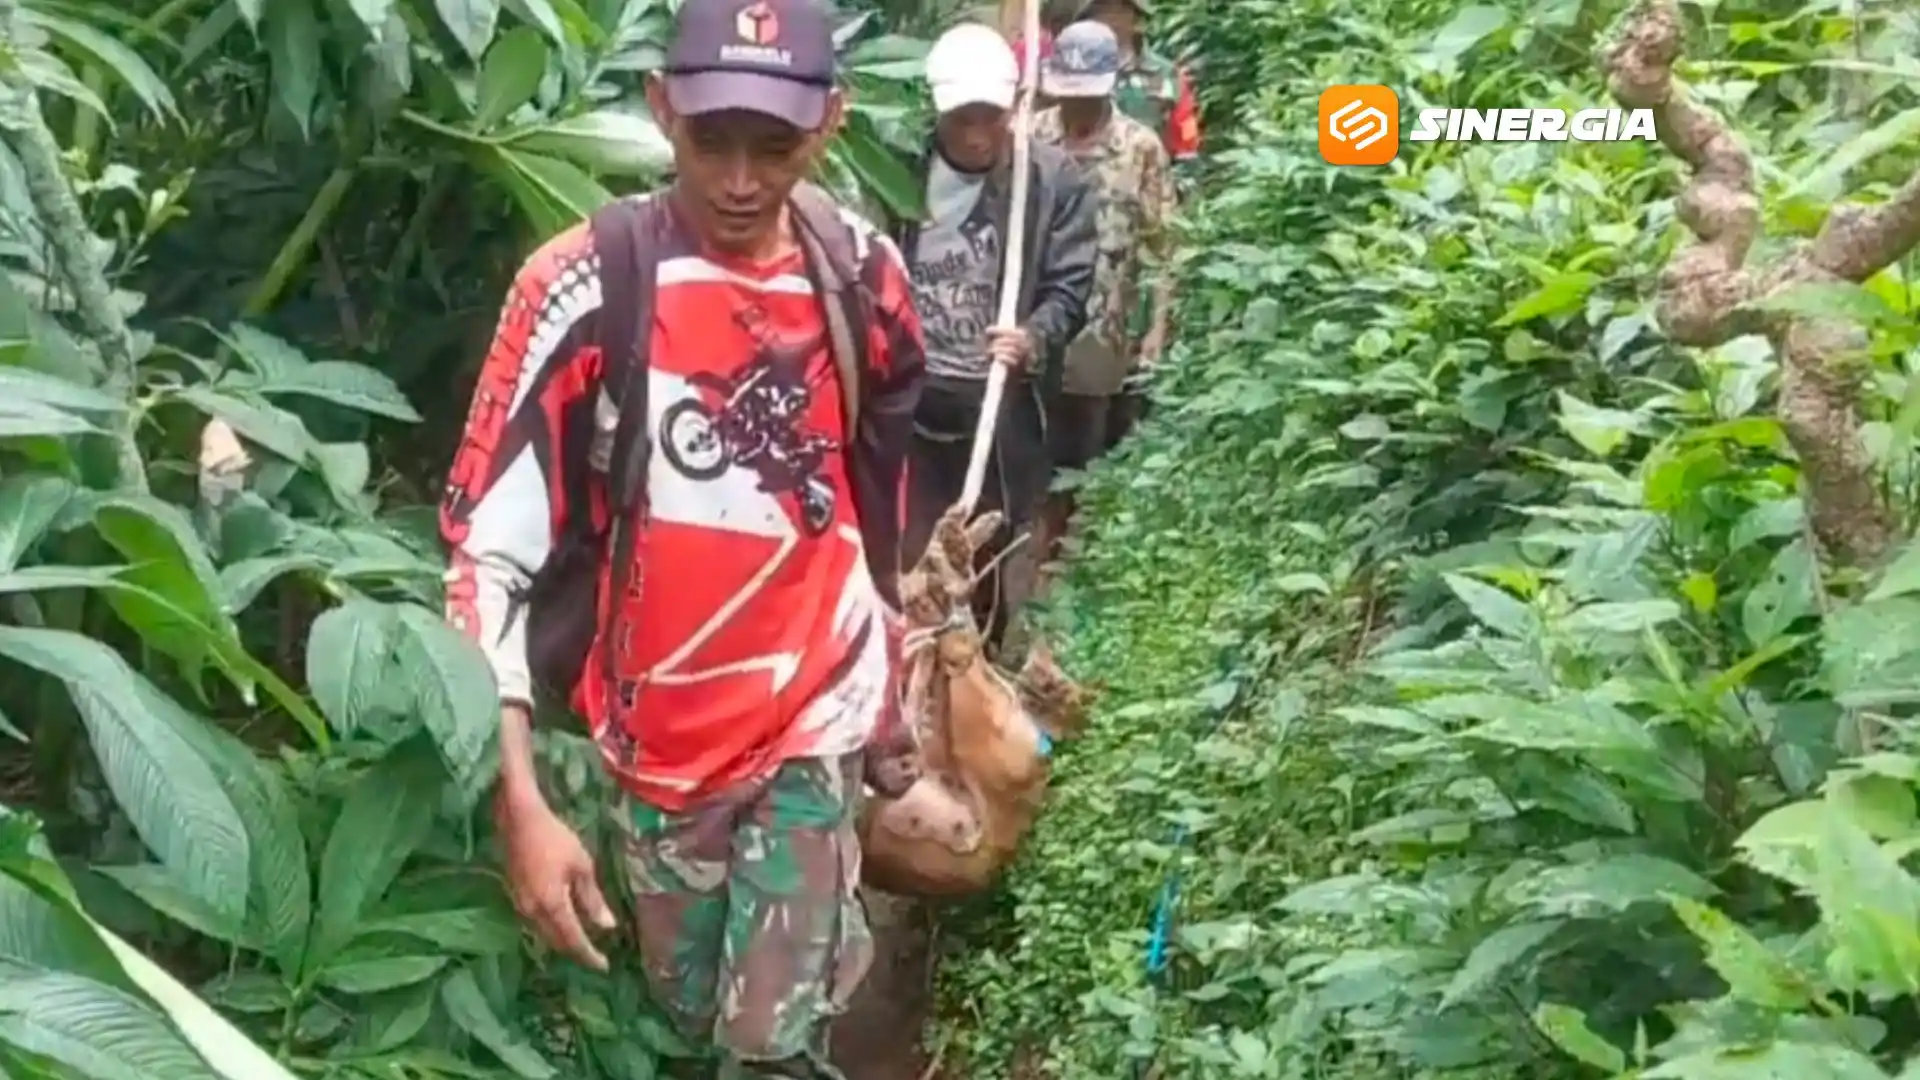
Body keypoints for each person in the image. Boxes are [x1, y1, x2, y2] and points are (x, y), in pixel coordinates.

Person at [437, 0, 925, 1075]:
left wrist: (885, 647)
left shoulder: (863, 277)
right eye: (713, 139)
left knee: (763, 1036)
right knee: (688, 998)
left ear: (830, 124)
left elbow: (869, 483)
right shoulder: (581, 286)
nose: (742, 181)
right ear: (662, 112)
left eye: (777, 146)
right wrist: (519, 797)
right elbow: (489, 552)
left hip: (814, 703)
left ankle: (802, 991)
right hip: (659, 736)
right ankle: (814, 963)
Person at [887, 21, 1095, 655]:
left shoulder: (1052, 181)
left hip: (999, 407)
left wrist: (1032, 337)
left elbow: (1069, 288)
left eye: (990, 118)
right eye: (961, 120)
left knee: (986, 552)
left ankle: (978, 667)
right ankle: (907, 688)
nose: (976, 135)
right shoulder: (899, 169)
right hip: (914, 397)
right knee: (910, 550)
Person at [1030, 20, 1174, 568]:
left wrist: (1156, 332)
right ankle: (1028, 551)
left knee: (1084, 454)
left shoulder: (1139, 148)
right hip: (1035, 318)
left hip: (1102, 330)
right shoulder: (1031, 134)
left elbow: (1165, 247)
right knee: (1029, 449)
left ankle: (1063, 562)